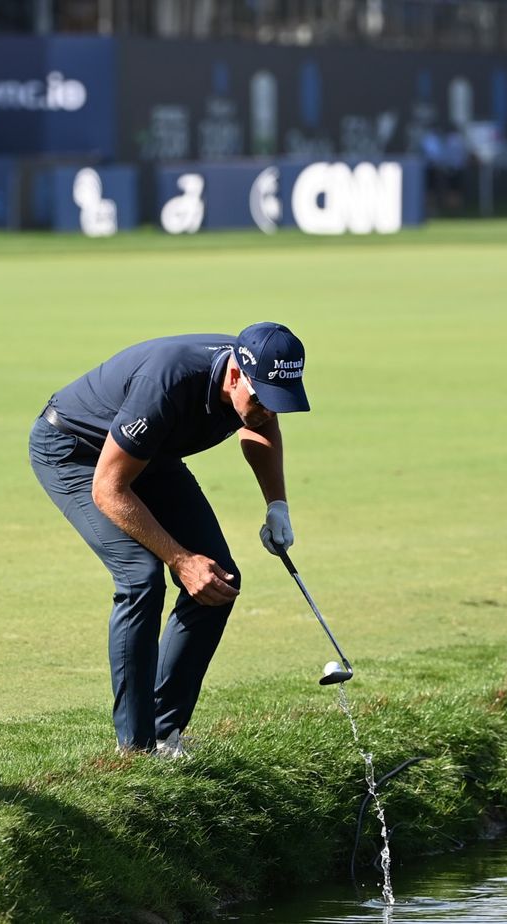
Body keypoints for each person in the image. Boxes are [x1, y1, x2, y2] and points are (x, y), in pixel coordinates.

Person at [29, 323, 310, 756]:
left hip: (149, 453)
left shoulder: (252, 388)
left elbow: (260, 427)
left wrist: (278, 506)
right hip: (75, 452)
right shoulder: (167, 383)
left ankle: (164, 731)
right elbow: (108, 490)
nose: (266, 410)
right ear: (235, 376)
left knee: (219, 579)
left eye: (278, 402)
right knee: (140, 578)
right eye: (260, 398)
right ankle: (135, 748)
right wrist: (181, 560)